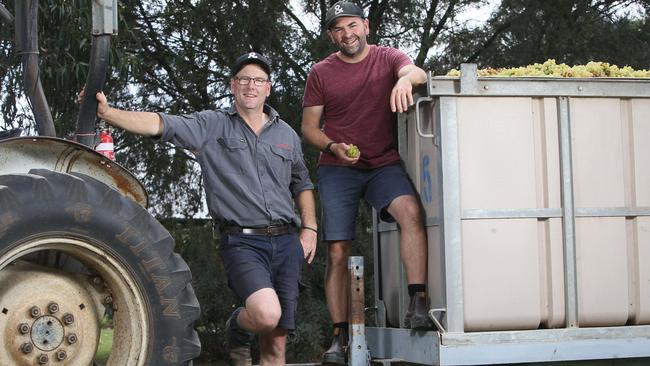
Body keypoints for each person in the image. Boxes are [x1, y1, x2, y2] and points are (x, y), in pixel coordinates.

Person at [82, 52, 318, 366]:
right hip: (243, 241)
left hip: (286, 242)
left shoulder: (286, 134)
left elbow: (302, 184)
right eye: (244, 79)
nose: (251, 86)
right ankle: (237, 326)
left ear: (268, 88)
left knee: (276, 348)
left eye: (258, 80)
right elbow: (160, 123)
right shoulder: (211, 125)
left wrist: (310, 229)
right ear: (233, 85)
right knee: (266, 314)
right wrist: (109, 113)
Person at [301, 1, 433, 364]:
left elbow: (417, 72)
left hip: (382, 164)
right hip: (337, 167)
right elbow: (309, 128)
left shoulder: (389, 58)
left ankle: (418, 301)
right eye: (339, 28)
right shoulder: (321, 72)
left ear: (366, 26)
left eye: (353, 25)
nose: (347, 34)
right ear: (331, 35)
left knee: (409, 211)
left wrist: (405, 80)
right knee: (338, 250)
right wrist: (333, 145)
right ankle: (339, 338)